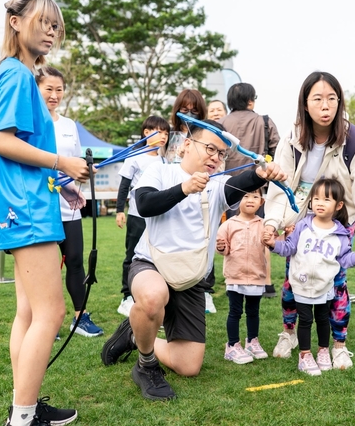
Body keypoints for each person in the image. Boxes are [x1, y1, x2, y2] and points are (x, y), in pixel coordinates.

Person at [100, 119, 287, 401]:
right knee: (152, 296)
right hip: (151, 264)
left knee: (188, 366)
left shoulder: (218, 184)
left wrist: (262, 174)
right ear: (187, 144)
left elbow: (241, 182)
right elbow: (145, 204)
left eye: (221, 153)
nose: (216, 157)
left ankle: (135, 335)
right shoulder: (160, 170)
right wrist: (184, 189)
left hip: (191, 276)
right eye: (210, 148)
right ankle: (146, 365)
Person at [0, 0, 90, 425]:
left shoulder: (18, 74)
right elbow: (1, 141)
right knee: (51, 312)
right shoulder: (16, 74)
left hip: (25, 205)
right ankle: (23, 417)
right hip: (27, 211)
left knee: (29, 313)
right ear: (15, 22)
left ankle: (24, 406)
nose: (50, 31)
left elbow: (23, 150)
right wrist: (62, 162)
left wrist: (63, 181)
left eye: (55, 26)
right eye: (43, 22)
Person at [263, 71, 355, 369]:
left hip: (340, 221)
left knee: (336, 283)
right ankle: (289, 333)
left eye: (331, 98)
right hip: (300, 219)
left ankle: (338, 345)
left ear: (339, 102)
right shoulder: (292, 138)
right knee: (293, 280)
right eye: (317, 99)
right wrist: (271, 223)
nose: (325, 106)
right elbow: (279, 184)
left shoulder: (353, 139)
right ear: (305, 103)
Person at [264, 179, 355, 375]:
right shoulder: (302, 226)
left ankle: (323, 351)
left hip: (325, 287)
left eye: (327, 199)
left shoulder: (340, 234)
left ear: (338, 205)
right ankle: (304, 356)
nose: (320, 203)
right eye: (317, 198)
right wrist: (273, 244)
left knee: (322, 320)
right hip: (301, 285)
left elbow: (344, 259)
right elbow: (289, 248)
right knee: (305, 320)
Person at [36, 65, 103, 339]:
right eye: (48, 89)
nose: (54, 95)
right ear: (37, 89)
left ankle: (80, 317)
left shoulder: (69, 125)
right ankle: (45, 322)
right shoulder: (31, 124)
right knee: (45, 268)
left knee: (75, 260)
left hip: (69, 207)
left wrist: (85, 172)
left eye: (59, 89)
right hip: (41, 207)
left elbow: (74, 163)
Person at [220, 82, 280, 296]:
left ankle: (235, 283)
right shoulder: (265, 121)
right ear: (251, 101)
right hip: (257, 189)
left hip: (228, 189)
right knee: (261, 234)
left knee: (231, 235)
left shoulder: (221, 124)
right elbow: (277, 150)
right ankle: (265, 283)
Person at [116, 116, 171, 317]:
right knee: (132, 255)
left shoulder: (164, 160)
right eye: (159, 131)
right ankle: (127, 297)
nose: (163, 136)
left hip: (157, 218)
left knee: (156, 255)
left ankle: (155, 294)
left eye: (166, 133)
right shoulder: (135, 156)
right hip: (137, 215)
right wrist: (119, 211)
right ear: (146, 133)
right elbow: (124, 185)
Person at [169, 89, 218, 313]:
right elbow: (165, 163)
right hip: (176, 195)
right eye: (184, 109)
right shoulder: (171, 136)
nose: (189, 114)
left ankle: (205, 290)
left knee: (204, 239)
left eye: (194, 110)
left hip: (202, 195)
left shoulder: (208, 134)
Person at [215, 188, 268, 364]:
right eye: (245, 196)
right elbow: (222, 249)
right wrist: (221, 247)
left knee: (253, 312)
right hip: (235, 276)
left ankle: (252, 342)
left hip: (256, 276)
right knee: (235, 312)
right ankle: (232, 345)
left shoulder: (264, 224)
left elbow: (274, 241)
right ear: (238, 200)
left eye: (255, 196)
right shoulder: (228, 224)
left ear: (261, 202)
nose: (250, 200)